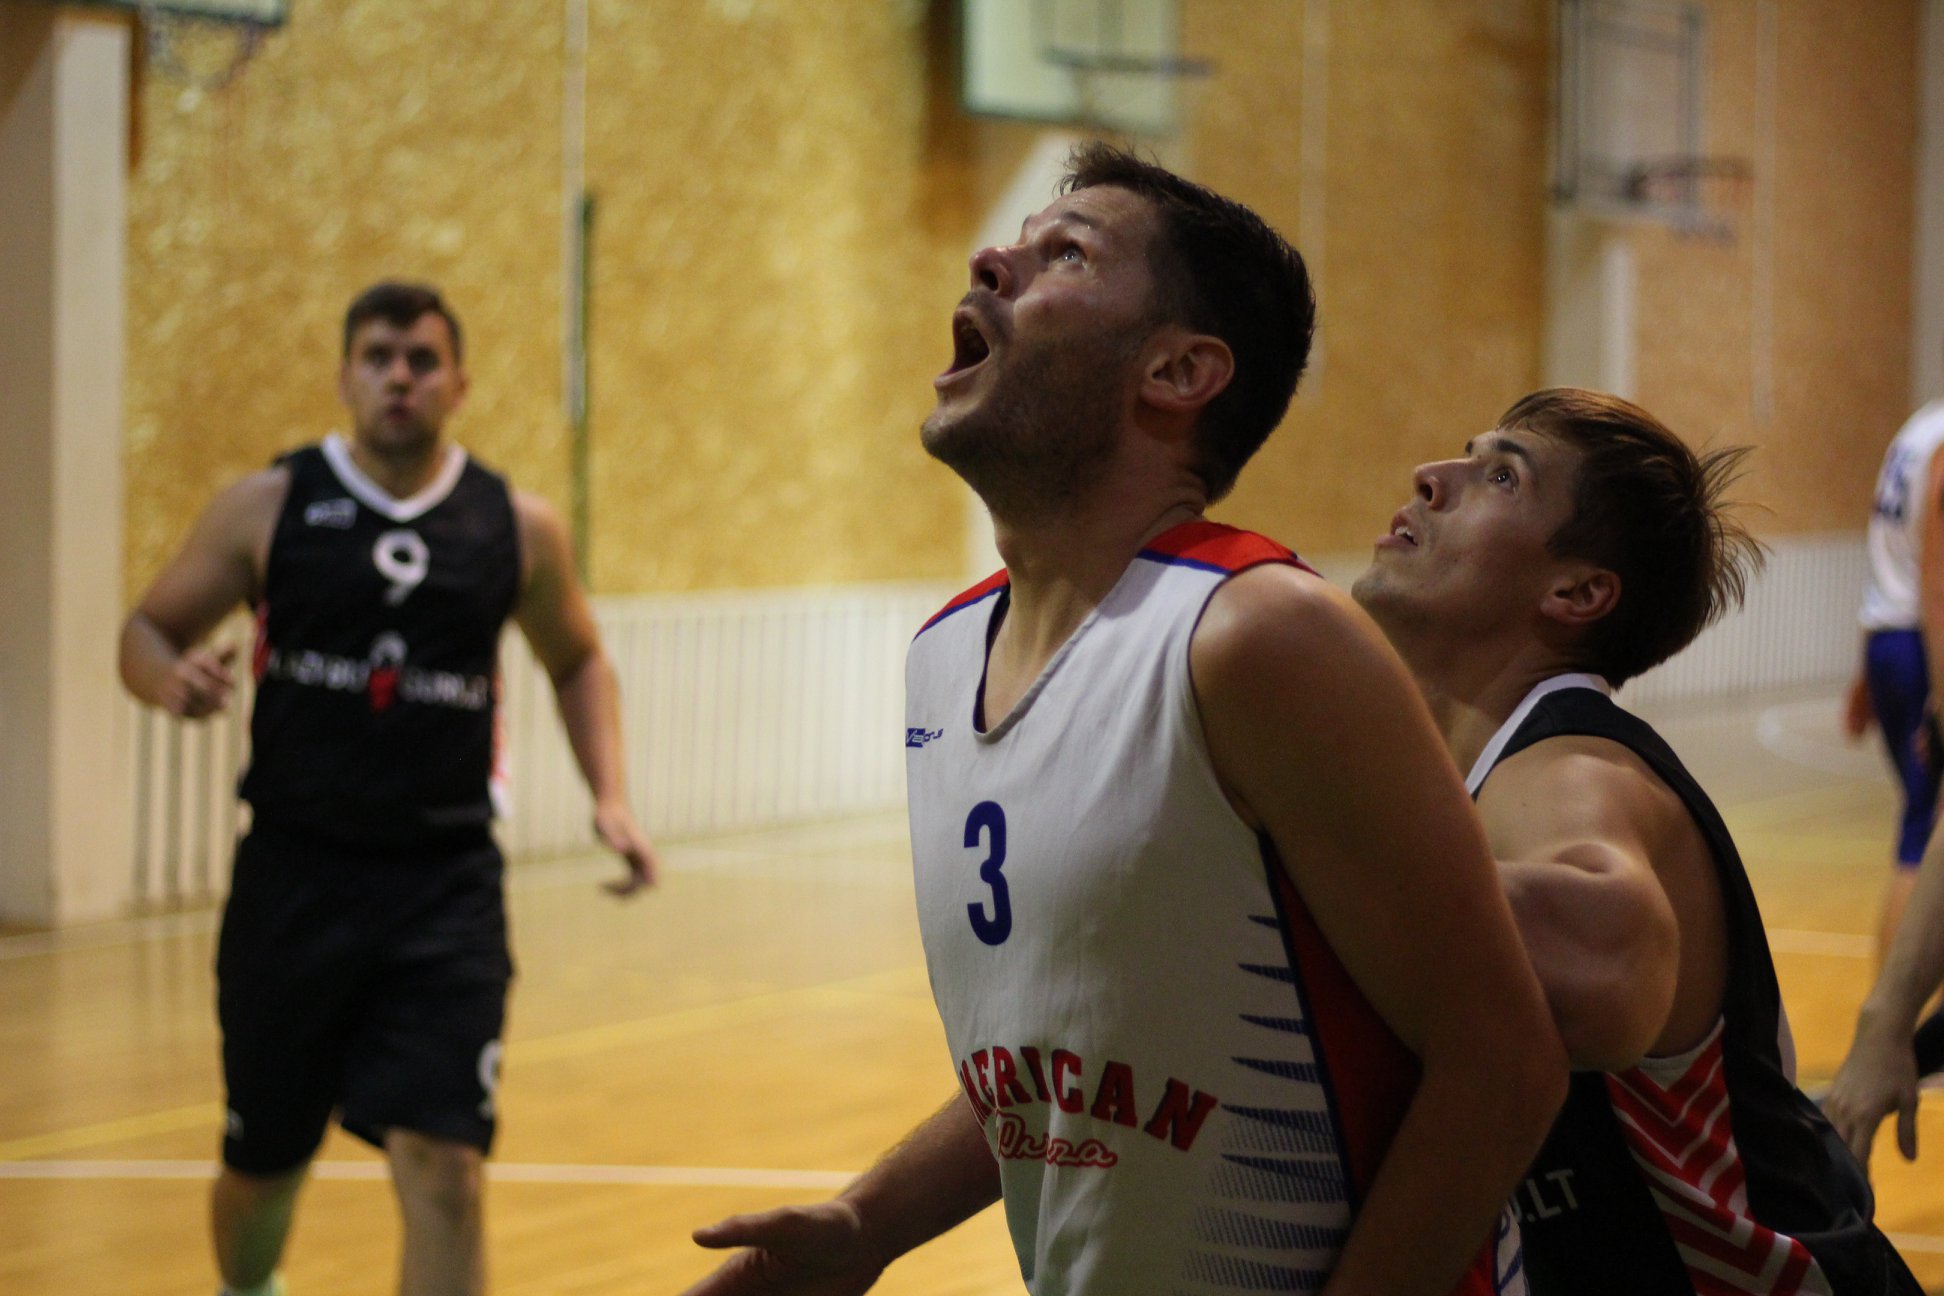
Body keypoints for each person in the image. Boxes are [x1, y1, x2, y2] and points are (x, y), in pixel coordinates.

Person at [682, 143, 1567, 1295]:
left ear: (1179, 370)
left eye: (1066, 253)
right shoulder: (945, 655)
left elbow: (1504, 1066)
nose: (990, 262)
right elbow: (1072, 1056)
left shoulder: (1259, 635)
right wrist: (868, 1223)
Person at [118, 281, 658, 1296]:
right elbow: (146, 630)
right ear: (345, 377)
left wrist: (610, 796)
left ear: (458, 383)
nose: (398, 378)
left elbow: (579, 658)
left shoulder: (516, 526)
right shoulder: (268, 506)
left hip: (444, 889)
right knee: (264, 1164)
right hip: (293, 882)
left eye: (420, 360)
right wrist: (168, 679)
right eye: (378, 358)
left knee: (446, 1167)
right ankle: (249, 1286)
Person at [1351, 388, 1918, 1294]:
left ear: (1577, 592)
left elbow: (1610, 947)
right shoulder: (1475, 769)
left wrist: (1293, 865)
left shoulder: (1571, 772)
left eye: (1501, 476)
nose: (1432, 477)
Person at [1845, 397, 1944, 960]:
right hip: (1924, 644)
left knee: (1921, 829)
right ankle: (1895, 1008)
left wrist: (1866, 672)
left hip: (1891, 641)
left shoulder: (1919, 427)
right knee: (1925, 839)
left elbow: (1891, 557)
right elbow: (1936, 577)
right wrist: (1941, 693)